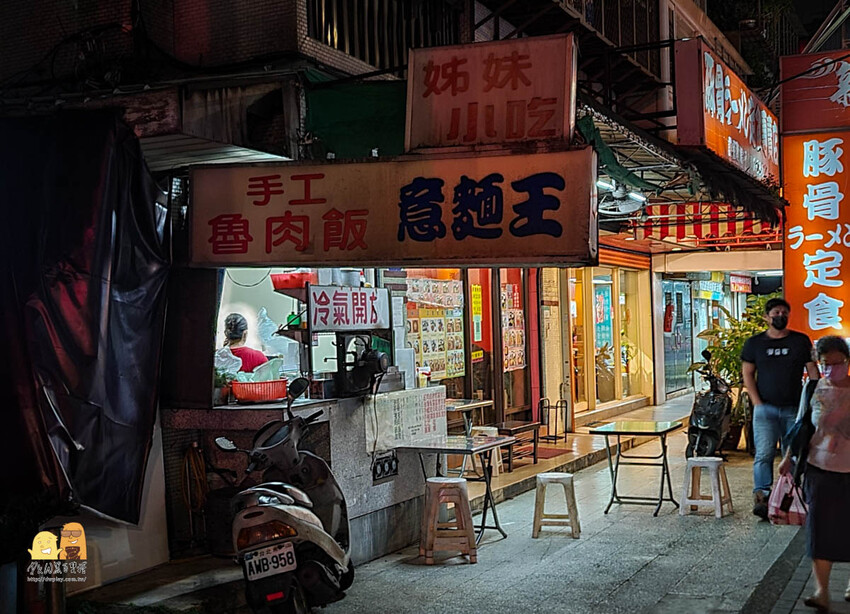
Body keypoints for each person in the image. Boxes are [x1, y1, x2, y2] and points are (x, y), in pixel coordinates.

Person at [778, 336, 850, 611]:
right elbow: (800, 427)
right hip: (819, 468)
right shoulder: (812, 389)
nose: (832, 369)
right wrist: (788, 459)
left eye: (838, 363)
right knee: (820, 528)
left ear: (847, 362)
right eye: (826, 364)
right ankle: (822, 591)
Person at [741, 298, 818, 520]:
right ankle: (763, 498)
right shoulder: (754, 343)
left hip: (794, 409)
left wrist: (814, 400)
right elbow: (747, 373)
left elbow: (813, 371)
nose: (780, 315)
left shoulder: (800, 341)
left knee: (792, 453)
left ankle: (790, 496)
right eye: (776, 312)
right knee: (764, 454)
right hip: (765, 410)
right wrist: (757, 402)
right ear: (767, 316)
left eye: (784, 312)